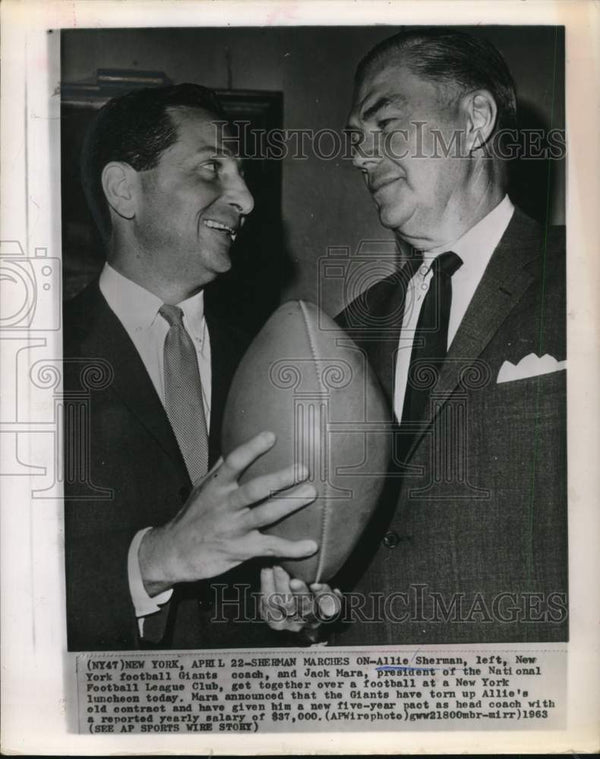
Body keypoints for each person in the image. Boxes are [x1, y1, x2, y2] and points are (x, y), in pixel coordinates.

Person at [297, 28, 567, 645]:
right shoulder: (347, 329)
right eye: (356, 141)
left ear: (475, 120)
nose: (361, 157)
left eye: (385, 126)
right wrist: (301, 581)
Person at [63, 84, 332, 650]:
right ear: (124, 190)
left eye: (240, 173)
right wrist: (156, 559)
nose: (246, 199)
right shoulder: (30, 361)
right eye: (212, 167)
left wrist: (299, 608)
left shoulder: (274, 365)